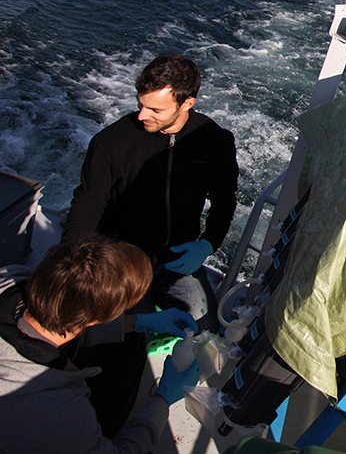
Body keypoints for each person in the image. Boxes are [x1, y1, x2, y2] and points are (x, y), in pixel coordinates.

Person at [62, 52, 239, 434]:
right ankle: (106, 433)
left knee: (206, 331)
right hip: (125, 260)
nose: (142, 116)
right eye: (140, 105)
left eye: (155, 110)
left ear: (187, 103)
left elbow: (225, 201)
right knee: (119, 353)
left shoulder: (216, 141)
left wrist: (207, 245)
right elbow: (87, 203)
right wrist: (72, 259)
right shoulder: (110, 142)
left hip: (179, 256)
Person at [0, 237, 200, 453]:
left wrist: (137, 322)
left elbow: (62, 318)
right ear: (97, 319)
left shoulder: (11, 278)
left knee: (130, 339)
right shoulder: (59, 407)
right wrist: (163, 398)